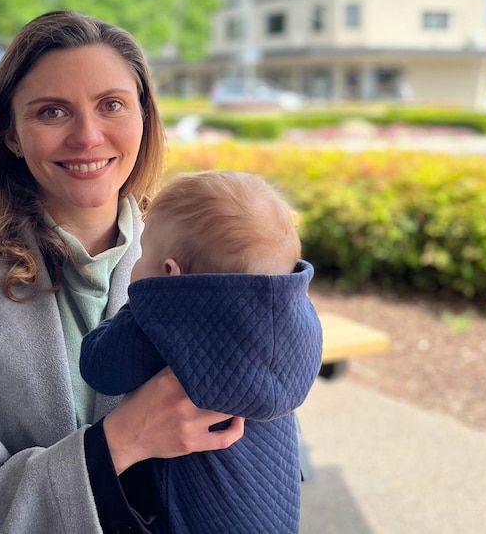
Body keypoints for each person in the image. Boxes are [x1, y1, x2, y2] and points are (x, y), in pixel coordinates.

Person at [0, 10, 245, 534]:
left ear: (144, 118)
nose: (87, 136)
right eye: (52, 112)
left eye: (112, 105)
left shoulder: (201, 259)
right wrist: (119, 442)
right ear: (10, 135)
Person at [80, 170, 324, 533]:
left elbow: (98, 367)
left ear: (169, 273)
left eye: (142, 251)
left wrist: (139, 306)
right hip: (274, 512)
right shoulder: (298, 325)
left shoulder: (166, 319)